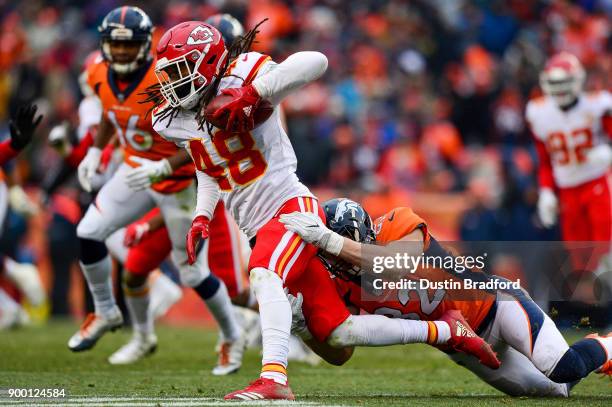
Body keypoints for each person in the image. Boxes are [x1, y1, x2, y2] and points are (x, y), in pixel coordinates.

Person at [150, 21, 498, 400]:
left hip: (288, 209)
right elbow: (207, 165)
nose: (173, 82)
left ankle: (274, 379)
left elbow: (316, 61)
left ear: (209, 62)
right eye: (169, 73)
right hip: (255, 227)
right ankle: (447, 330)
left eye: (181, 70)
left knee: (264, 275)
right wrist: (203, 214)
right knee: (339, 332)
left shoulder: (244, 72)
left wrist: (253, 93)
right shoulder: (173, 119)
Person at [279, 198, 612, 396]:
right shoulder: (339, 281)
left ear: (366, 235)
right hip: (462, 347)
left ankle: (607, 345)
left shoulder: (396, 224)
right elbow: (342, 353)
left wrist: (331, 242)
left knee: (563, 368)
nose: (340, 264)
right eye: (331, 257)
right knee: (556, 392)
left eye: (341, 251)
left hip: (496, 304)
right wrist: (306, 330)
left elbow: (396, 266)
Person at [69, 6, 244, 375]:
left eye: (127, 45)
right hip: (134, 169)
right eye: (113, 46)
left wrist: (163, 166)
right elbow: (109, 110)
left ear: (144, 44)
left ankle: (232, 336)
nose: (118, 53)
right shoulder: (98, 71)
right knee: (88, 231)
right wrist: (97, 151)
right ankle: (105, 310)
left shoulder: (163, 75)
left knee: (194, 274)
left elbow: (201, 139)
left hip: (178, 181)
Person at [528, 52, 611, 274]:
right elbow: (545, 161)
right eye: (555, 83)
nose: (560, 89)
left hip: (598, 183)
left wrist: (608, 152)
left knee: (605, 256)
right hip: (567, 192)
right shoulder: (539, 113)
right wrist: (546, 192)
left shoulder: (598, 104)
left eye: (564, 82)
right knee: (579, 261)